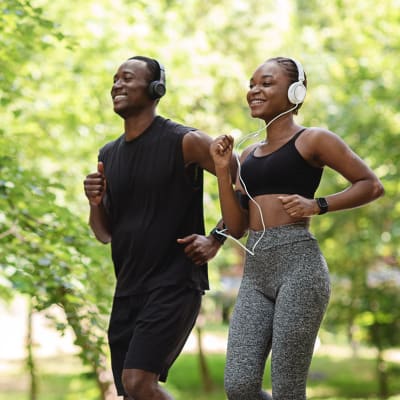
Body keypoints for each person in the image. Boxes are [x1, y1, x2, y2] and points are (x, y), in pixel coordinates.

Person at [210, 56, 384, 400]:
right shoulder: (246, 155)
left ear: (295, 91)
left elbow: (370, 184)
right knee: (239, 387)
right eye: (252, 84)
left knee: (288, 389)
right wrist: (221, 171)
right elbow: (236, 226)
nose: (254, 90)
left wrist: (317, 205)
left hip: (299, 269)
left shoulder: (313, 139)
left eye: (266, 83)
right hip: (255, 273)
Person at [83, 55, 232, 400]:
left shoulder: (186, 141)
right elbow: (105, 233)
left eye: (127, 78)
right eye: (115, 78)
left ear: (155, 88)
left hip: (174, 283)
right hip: (128, 289)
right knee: (132, 394)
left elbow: (242, 183)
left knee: (139, 383)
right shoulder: (108, 154)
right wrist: (94, 202)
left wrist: (217, 237)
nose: (117, 84)